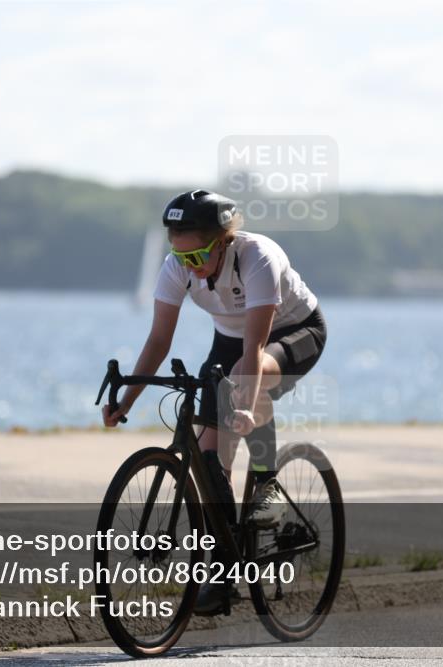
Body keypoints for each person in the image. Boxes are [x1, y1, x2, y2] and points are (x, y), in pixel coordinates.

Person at [101, 189, 327, 613]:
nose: (191, 266)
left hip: (293, 332)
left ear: (224, 240)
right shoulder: (177, 266)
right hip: (230, 342)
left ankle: (267, 484)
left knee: (246, 377)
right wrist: (127, 400)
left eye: (198, 255)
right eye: (181, 257)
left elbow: (255, 346)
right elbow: (158, 341)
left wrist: (244, 405)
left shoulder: (257, 257)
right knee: (210, 459)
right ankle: (225, 577)